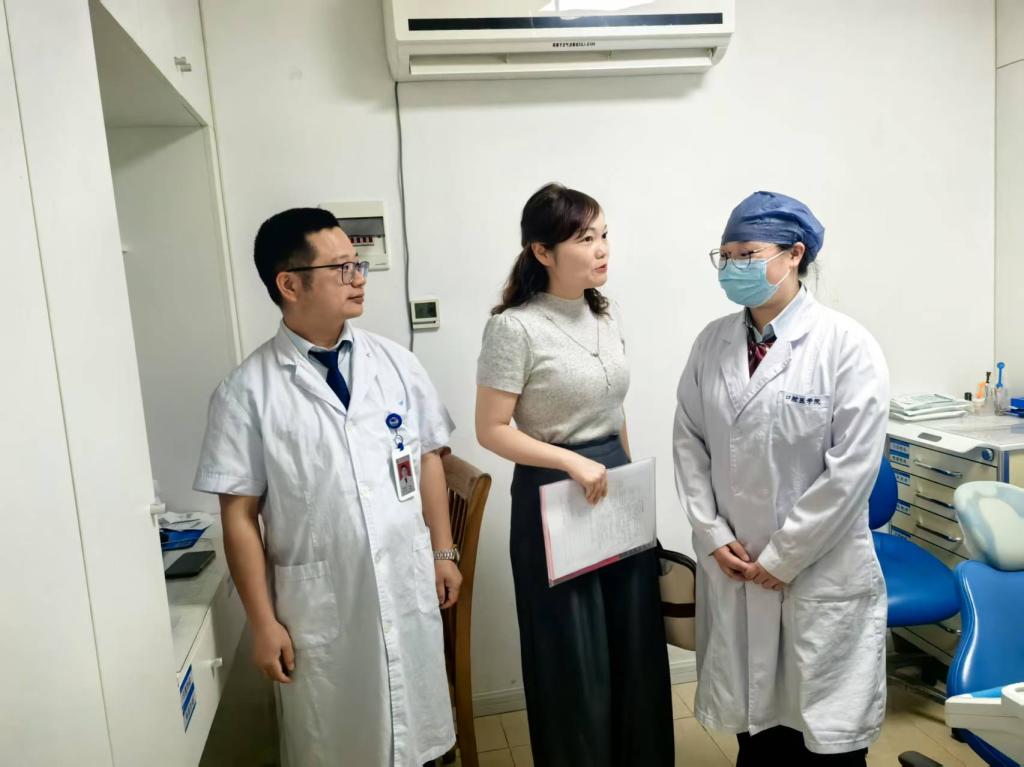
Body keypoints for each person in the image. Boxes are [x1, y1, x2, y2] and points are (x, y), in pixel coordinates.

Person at [193, 208, 461, 767]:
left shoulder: (397, 364)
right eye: (341, 268)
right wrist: (263, 623)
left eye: (357, 264)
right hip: (320, 606)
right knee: (338, 745)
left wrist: (442, 550)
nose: (358, 277)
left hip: (405, 579)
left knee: (417, 737)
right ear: (289, 284)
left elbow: (430, 459)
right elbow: (239, 516)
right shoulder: (246, 393)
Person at [673, 191, 889, 765]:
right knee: (756, 731)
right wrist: (712, 534)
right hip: (736, 565)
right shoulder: (712, 343)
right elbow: (688, 443)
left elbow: (853, 470)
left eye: (747, 254)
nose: (732, 268)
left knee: (826, 742)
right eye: (725, 256)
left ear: (794, 254)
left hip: (819, 570)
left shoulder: (846, 346)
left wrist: (784, 556)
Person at [476, 183, 674, 766]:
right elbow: (491, 429)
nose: (601, 249)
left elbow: (614, 411)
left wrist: (631, 486)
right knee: (573, 655)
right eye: (585, 239)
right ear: (542, 251)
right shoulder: (514, 328)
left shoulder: (603, 313)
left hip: (614, 487)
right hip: (553, 497)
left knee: (634, 644)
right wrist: (568, 459)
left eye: (604, 235)